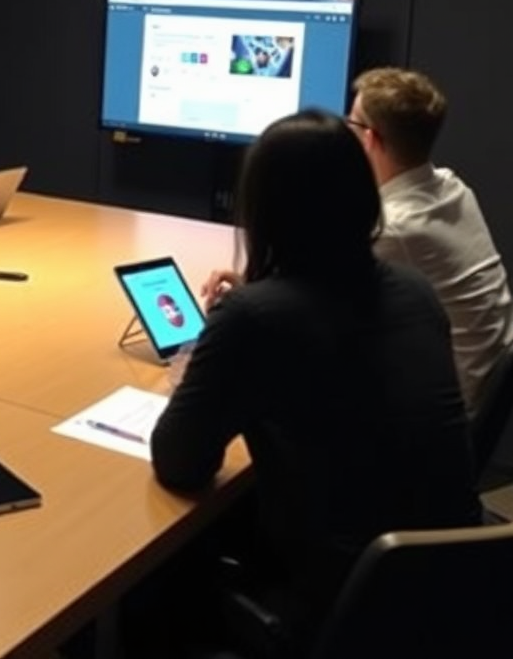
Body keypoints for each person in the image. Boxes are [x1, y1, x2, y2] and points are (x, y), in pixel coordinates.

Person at [150, 111, 481, 648]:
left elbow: (180, 463)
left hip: (343, 610)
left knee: (159, 576)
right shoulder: (416, 292)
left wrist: (223, 358)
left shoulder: (254, 318)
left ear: (261, 209)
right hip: (456, 590)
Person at [346, 67, 513, 415]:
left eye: (351, 122)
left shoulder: (396, 229)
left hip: (434, 415)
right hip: (472, 388)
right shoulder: (452, 187)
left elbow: (321, 311)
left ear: (370, 138)